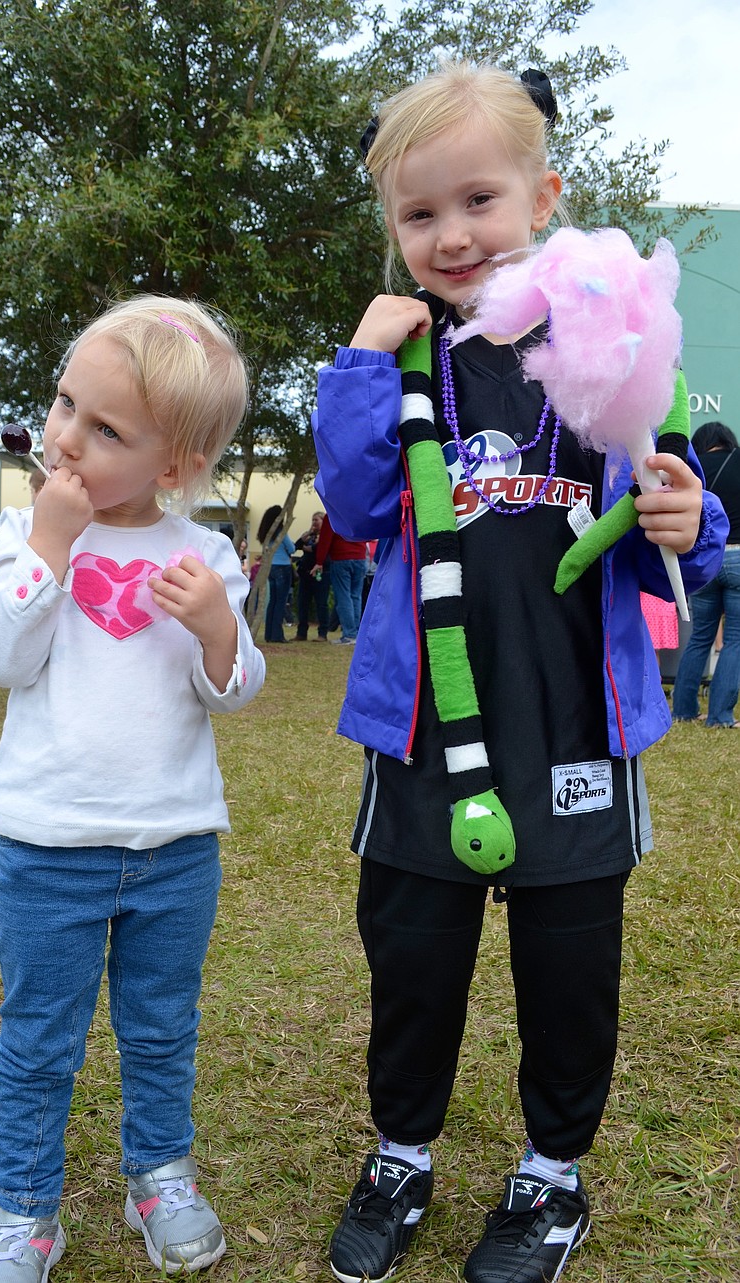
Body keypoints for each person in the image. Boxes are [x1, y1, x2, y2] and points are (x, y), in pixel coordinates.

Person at [311, 60, 727, 1283]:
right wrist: (355, 359)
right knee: (414, 955)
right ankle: (401, 1150)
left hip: (573, 730)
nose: (450, 235)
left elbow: (676, 523)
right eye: (418, 214)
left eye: (478, 201)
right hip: (425, 735)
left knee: (567, 965)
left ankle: (551, 1174)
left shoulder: (604, 351)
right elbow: (352, 498)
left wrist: (688, 517)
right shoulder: (402, 361)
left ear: (543, 197)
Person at [0, 296, 265, 1282]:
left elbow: (231, 690)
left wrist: (220, 628)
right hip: (47, 846)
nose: (64, 439)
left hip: (175, 847)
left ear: (172, 466)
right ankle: (24, 1213)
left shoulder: (203, 557)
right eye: (63, 406)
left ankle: (159, 1172)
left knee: (161, 1025)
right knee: (39, 1038)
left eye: (104, 429)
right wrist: (50, 548)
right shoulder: (25, 532)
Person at [672, 420, 740, 726]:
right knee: (735, 640)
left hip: (705, 560)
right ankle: (720, 717)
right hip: (739, 558)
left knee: (700, 637)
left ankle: (684, 711)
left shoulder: (693, 467)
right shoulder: (736, 460)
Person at [313, 512, 366, 645]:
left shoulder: (332, 514)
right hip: (360, 558)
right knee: (356, 596)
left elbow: (325, 539)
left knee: (343, 597)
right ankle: (356, 633)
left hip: (341, 558)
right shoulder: (357, 513)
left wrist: (319, 561)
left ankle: (349, 634)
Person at [257, 503, 296, 643]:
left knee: (273, 601)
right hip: (283, 567)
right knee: (281, 601)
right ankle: (277, 635)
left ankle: (269, 634)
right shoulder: (281, 532)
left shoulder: (266, 532)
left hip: (270, 567)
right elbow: (292, 549)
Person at [294, 510, 331, 640]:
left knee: (321, 603)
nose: (314, 523)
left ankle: (322, 633)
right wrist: (307, 535)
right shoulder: (309, 536)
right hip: (306, 573)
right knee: (303, 603)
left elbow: (317, 549)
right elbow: (296, 546)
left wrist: (306, 548)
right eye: (313, 520)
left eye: (317, 520)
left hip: (321, 573)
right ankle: (301, 633)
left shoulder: (326, 536)